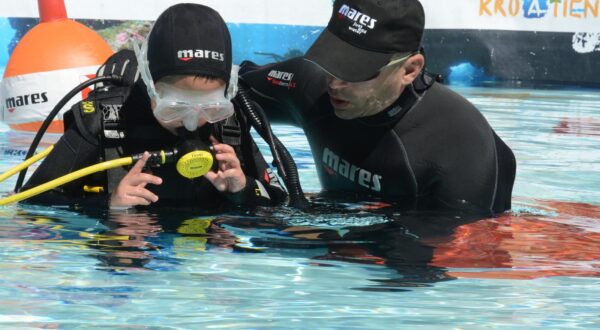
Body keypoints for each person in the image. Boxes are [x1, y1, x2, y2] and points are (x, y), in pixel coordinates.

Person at [239, 0, 516, 216]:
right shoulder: (311, 82)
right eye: (331, 60)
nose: (335, 82)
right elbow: (229, 87)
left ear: (410, 69)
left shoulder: (459, 145)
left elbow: (442, 261)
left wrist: (326, 239)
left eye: (355, 70)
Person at [21, 4, 286, 210]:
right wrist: (109, 205)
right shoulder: (104, 121)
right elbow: (33, 201)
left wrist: (242, 189)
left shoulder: (230, 123)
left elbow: (282, 201)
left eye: (210, 107)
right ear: (150, 85)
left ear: (226, 94)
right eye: (176, 108)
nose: (192, 123)